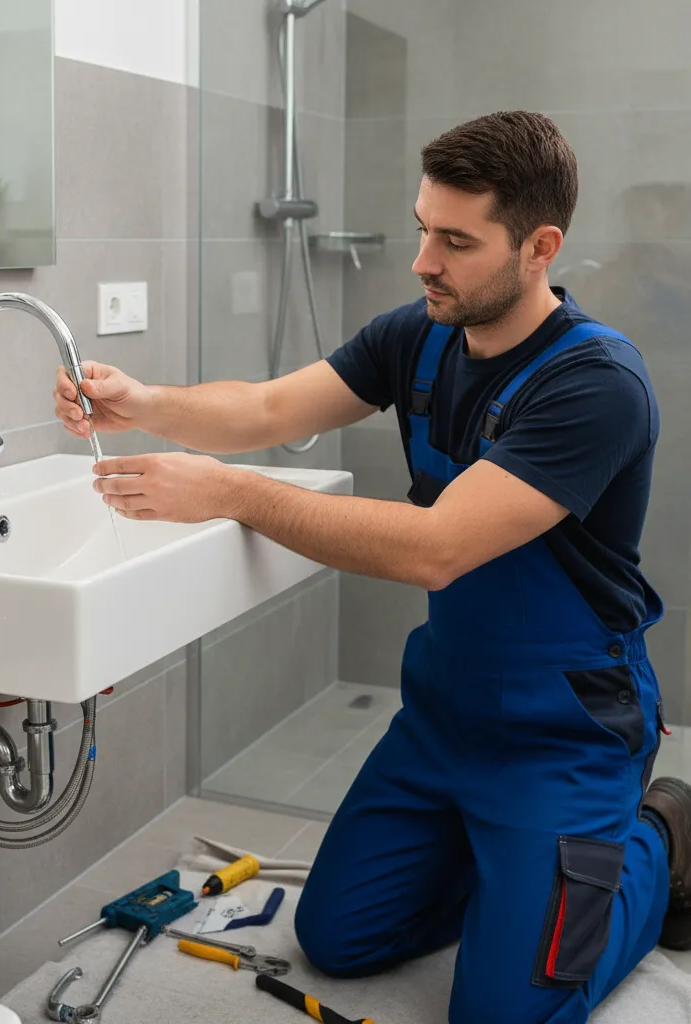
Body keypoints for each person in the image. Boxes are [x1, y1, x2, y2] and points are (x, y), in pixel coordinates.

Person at [53, 111, 691, 1023]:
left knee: (504, 1014)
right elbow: (269, 407)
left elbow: (436, 549)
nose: (424, 260)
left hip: (565, 733)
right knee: (339, 938)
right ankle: (517, 870)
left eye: (456, 241)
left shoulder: (595, 384)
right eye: (425, 227)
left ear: (540, 246)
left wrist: (232, 494)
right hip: (444, 717)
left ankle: (661, 835)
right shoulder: (420, 337)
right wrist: (141, 402)